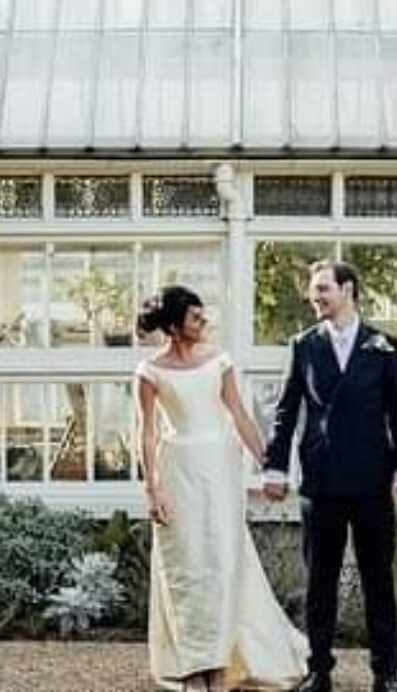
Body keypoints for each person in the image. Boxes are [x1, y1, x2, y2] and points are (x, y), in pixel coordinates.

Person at [135, 284, 307, 692]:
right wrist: (152, 489)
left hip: (220, 468)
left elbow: (240, 416)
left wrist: (272, 465)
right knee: (185, 566)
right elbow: (146, 433)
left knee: (222, 561)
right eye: (195, 317)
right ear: (175, 327)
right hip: (177, 469)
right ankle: (193, 666)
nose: (204, 321)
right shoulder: (150, 370)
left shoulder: (219, 361)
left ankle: (218, 665)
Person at [263, 261, 397, 692]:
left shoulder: (383, 345)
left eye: (323, 289)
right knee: (320, 582)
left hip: (373, 481)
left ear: (347, 289)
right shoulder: (303, 345)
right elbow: (285, 411)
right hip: (322, 481)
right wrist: (275, 467)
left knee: (378, 580)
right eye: (314, 291)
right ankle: (319, 671)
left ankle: (387, 674)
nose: (315, 297)